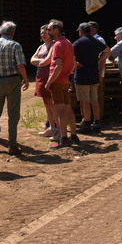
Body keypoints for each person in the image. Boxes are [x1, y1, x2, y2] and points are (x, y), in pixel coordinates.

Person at [0, 21, 28, 156]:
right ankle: (12, 145)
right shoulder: (15, 45)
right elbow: (20, 65)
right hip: (12, 80)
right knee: (13, 114)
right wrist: (26, 80)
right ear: (12, 32)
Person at [43, 19, 78, 148]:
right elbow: (74, 63)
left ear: (56, 30)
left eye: (50, 29)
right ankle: (73, 135)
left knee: (61, 111)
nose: (48, 32)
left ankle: (64, 138)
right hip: (64, 81)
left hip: (57, 81)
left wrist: (49, 82)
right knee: (68, 109)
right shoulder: (68, 42)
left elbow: (58, 66)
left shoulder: (57, 45)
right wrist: (67, 74)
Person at [72, 22, 106, 134]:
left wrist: (75, 64)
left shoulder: (78, 43)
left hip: (82, 76)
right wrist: (98, 60)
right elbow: (107, 52)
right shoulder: (95, 41)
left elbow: (69, 55)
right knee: (94, 101)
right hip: (94, 75)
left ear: (81, 32)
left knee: (85, 102)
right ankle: (97, 124)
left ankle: (86, 124)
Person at [30, 25, 59, 137]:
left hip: (49, 77)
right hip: (40, 77)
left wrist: (39, 61)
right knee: (46, 103)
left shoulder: (53, 45)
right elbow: (32, 60)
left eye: (45, 33)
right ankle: (51, 127)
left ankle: (57, 128)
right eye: (41, 33)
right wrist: (40, 61)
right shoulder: (41, 46)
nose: (43, 35)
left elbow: (46, 62)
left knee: (52, 104)